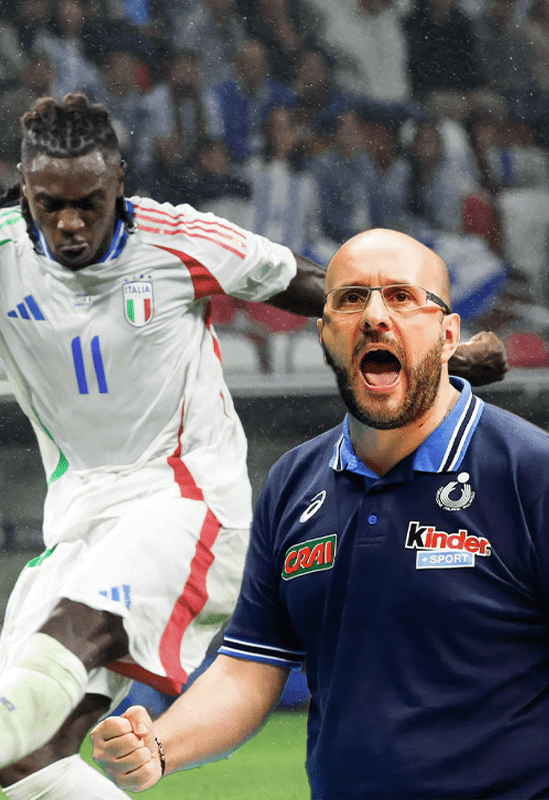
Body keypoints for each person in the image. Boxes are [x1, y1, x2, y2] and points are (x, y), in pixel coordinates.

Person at [0, 93, 504, 800]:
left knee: (74, 631)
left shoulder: (178, 239)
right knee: (30, 758)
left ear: (119, 186)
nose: (70, 223)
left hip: (189, 502)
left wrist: (430, 349)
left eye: (88, 204)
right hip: (79, 518)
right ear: (25, 189)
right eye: (50, 204)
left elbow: (311, 286)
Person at [90, 228, 548, 798]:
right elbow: (249, 669)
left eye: (402, 297)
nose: (374, 316)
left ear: (448, 334)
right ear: (325, 333)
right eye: (351, 299)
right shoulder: (294, 481)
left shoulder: (529, 471)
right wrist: (159, 746)